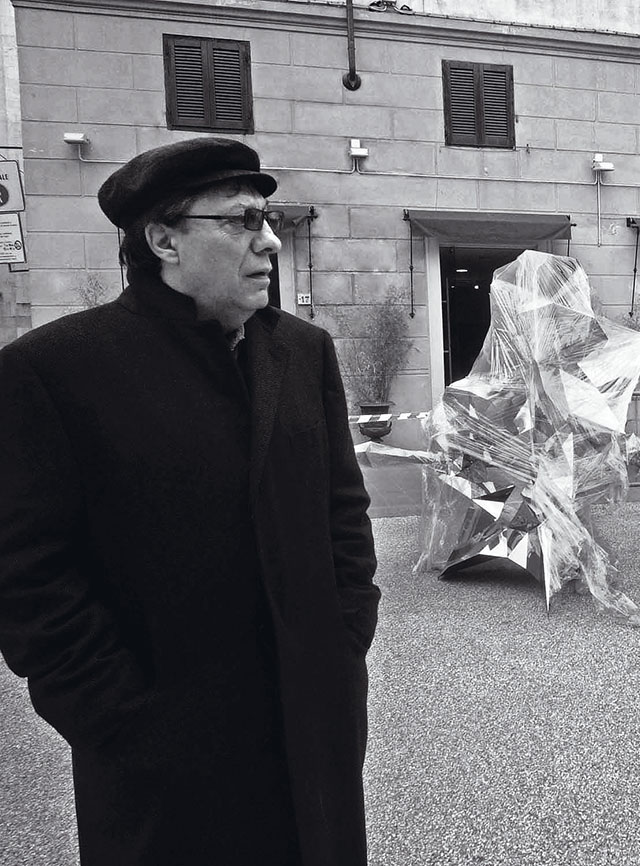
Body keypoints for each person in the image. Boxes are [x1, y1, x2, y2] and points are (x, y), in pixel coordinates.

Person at [0, 137, 381, 866]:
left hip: (313, 729)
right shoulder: (53, 372)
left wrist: (343, 641)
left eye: (266, 219)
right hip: (162, 765)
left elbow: (342, 512)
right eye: (241, 221)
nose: (269, 241)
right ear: (163, 239)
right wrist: (124, 723)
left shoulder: (302, 352)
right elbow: (28, 579)